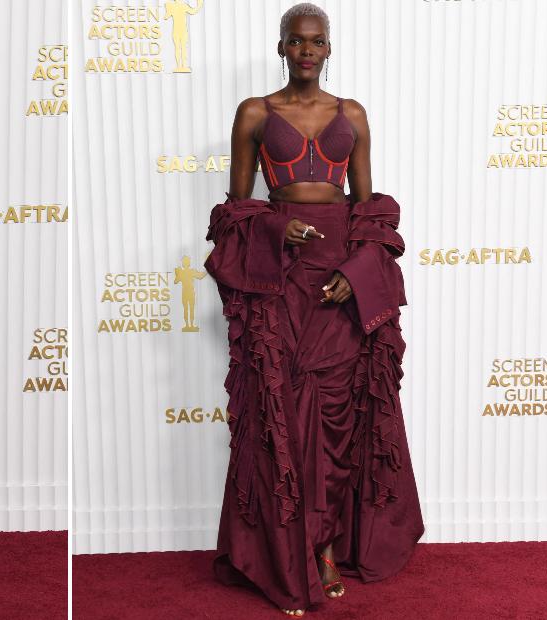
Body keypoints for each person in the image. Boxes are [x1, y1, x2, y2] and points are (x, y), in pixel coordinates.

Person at [204, 3, 424, 616]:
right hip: (281, 277)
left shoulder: (351, 115)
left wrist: (358, 278)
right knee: (284, 411)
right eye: (296, 41)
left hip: (339, 279)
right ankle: (288, 557)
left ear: (329, 49)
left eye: (317, 41)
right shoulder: (254, 113)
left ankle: (326, 551)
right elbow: (236, 210)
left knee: (340, 416)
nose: (306, 50)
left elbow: (368, 209)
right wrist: (279, 228)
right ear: (281, 47)